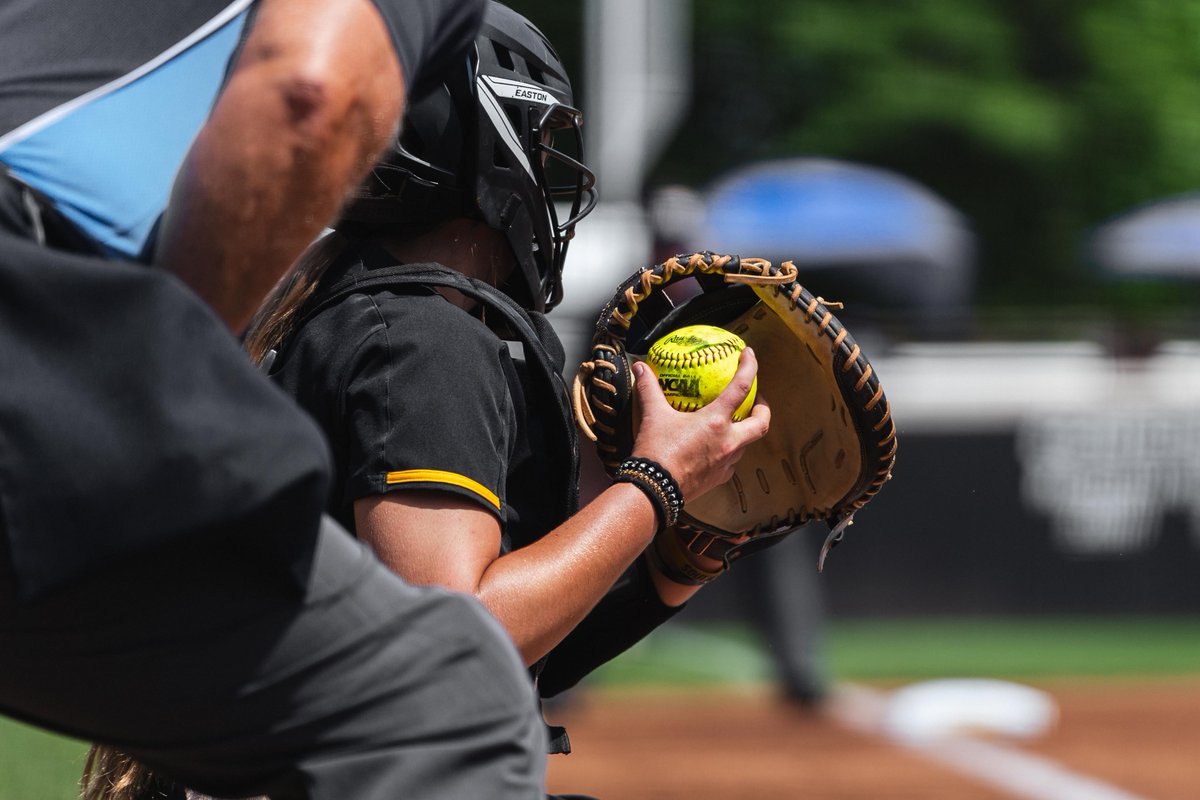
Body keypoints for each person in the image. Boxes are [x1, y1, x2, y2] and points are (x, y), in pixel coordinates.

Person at [0, 1, 557, 798]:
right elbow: (308, 89)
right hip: (29, 307)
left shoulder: (329, 305)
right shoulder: (425, 333)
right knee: (455, 709)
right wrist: (656, 489)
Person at [242, 0, 770, 770]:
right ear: (488, 144)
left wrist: (677, 559)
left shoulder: (366, 310)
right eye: (541, 137)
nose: (548, 171)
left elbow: (511, 659)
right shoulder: (424, 338)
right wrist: (655, 485)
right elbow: (449, 647)